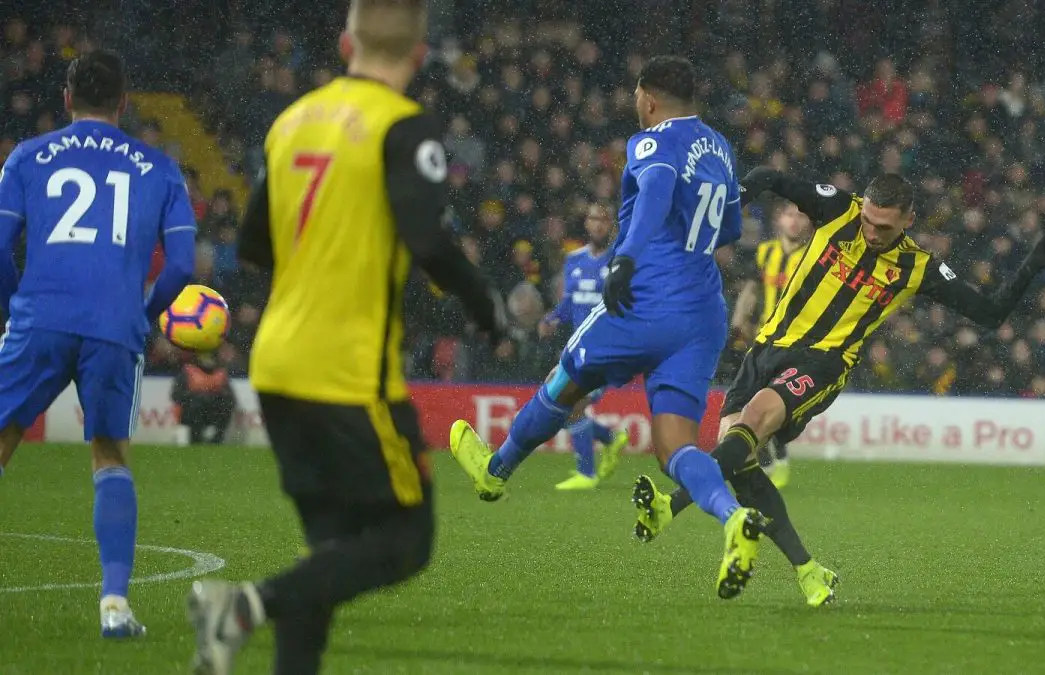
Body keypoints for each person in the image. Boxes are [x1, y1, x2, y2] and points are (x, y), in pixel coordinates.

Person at [185, 1, 505, 673]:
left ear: (344, 44)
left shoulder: (292, 120)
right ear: (419, 56)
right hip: (348, 369)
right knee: (407, 539)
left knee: (328, 550)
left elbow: (253, 243)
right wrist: (485, 305)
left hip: (277, 361)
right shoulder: (402, 126)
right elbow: (428, 242)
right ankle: (245, 605)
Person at [633, 167, 1045, 607]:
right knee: (739, 460)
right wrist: (727, 212)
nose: (871, 232)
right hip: (766, 348)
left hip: (822, 362)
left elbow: (990, 313)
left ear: (909, 220)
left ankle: (668, 508)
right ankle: (808, 572)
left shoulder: (917, 266)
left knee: (753, 421)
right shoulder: (836, 209)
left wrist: (1032, 264)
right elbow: (768, 176)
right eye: (867, 220)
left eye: (884, 227)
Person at [449, 55, 769, 600]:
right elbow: (731, 228)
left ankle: (495, 471)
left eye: (636, 96)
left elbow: (657, 191)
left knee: (565, 379)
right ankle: (732, 517)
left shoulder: (651, 141)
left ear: (649, 98)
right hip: (702, 314)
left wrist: (628, 258)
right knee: (675, 449)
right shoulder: (720, 146)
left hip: (646, 300)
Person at [0, 50, 196, 638]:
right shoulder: (160, 167)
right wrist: (144, 314)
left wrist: (16, 304)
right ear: (124, 102)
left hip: (40, 315)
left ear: (66, 99)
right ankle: (114, 605)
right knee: (110, 454)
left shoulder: (27, 156)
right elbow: (181, 266)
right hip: (115, 325)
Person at [539, 202, 629, 490]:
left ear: (611, 225)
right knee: (558, 400)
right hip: (577, 349)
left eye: (603, 219)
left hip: (607, 349)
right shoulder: (574, 259)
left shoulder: (620, 259)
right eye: (593, 219)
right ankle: (609, 438)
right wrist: (552, 318)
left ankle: (586, 473)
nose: (598, 224)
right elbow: (570, 303)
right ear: (586, 223)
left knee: (571, 402)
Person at [730, 201, 811, 488]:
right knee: (753, 401)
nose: (794, 221)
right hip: (763, 338)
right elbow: (751, 289)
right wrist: (739, 322)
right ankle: (767, 463)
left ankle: (779, 457)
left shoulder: (812, 256)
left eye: (800, 215)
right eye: (789, 214)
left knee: (778, 402)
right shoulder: (765, 252)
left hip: (796, 342)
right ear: (779, 219)